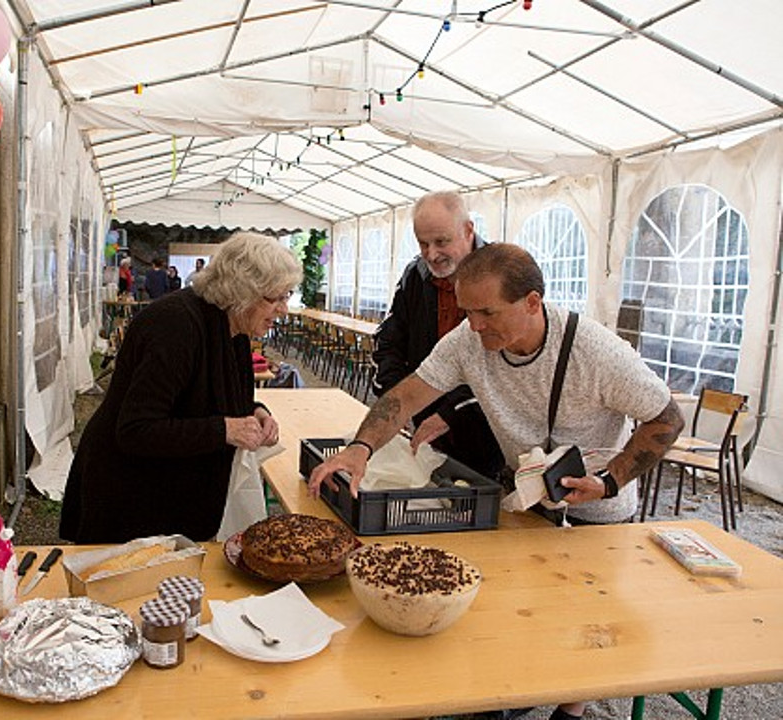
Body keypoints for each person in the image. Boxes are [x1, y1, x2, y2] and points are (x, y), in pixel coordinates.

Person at [310, 243, 684, 720]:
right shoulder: (468, 341)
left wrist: (610, 481)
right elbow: (404, 398)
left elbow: (666, 419)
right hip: (530, 501)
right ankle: (507, 698)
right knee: (521, 615)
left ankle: (569, 710)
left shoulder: (597, 352)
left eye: (487, 312)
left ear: (532, 302)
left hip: (599, 511)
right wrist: (360, 448)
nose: (475, 325)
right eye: (468, 311)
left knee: (584, 627)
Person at [60, 232, 302, 544]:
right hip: (131, 499)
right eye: (275, 297)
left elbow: (225, 396)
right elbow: (136, 429)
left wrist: (256, 412)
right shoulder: (174, 326)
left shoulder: (235, 328)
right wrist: (224, 430)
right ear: (243, 290)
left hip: (171, 494)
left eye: (287, 295)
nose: (283, 309)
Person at [373, 191, 503, 478]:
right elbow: (390, 343)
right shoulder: (416, 275)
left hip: (484, 434)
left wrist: (449, 413)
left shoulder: (501, 275)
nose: (432, 254)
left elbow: (508, 361)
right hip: (422, 425)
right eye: (423, 243)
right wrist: (396, 404)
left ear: (468, 230)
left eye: (442, 242)